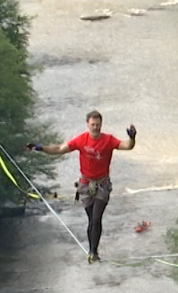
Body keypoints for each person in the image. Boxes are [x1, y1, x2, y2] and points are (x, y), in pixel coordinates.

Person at [26, 110, 136, 263]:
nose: (96, 128)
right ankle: (91, 252)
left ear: (101, 124)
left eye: (98, 125)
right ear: (87, 124)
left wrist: (132, 138)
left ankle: (94, 253)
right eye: (93, 125)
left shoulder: (109, 140)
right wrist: (40, 148)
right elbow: (59, 149)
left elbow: (127, 146)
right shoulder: (81, 140)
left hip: (102, 183)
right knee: (91, 220)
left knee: (97, 218)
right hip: (85, 184)